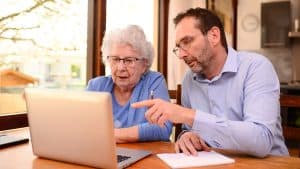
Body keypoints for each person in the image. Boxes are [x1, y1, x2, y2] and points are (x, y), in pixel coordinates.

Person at [132, 8, 289, 157]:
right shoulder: (189, 79)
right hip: (215, 162)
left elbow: (261, 141)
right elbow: (190, 128)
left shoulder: (256, 67)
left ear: (214, 36)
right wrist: (187, 136)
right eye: (179, 47)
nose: (181, 55)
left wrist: (186, 114)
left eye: (187, 41)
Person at [87, 25, 172, 143]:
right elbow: (83, 128)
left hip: (148, 157)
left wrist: (111, 135)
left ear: (144, 65)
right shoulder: (96, 87)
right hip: (106, 155)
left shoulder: (154, 81)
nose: (121, 67)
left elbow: (163, 127)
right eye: (115, 59)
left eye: (129, 60)